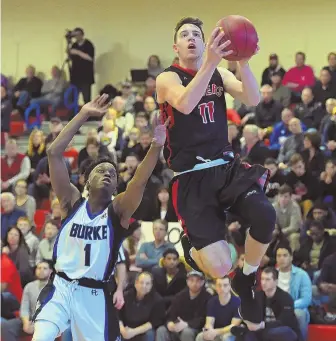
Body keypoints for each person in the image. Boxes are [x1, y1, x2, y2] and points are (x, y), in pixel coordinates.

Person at [156, 17, 276, 330]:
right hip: (191, 177)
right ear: (176, 47)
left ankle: (247, 277)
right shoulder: (167, 79)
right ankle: (192, 244)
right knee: (221, 266)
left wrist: (244, 64)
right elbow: (185, 103)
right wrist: (211, 63)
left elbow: (252, 98)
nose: (192, 38)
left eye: (197, 33)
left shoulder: (219, 72)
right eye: (185, 35)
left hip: (225, 167)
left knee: (265, 215)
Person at [31, 94, 168, 341]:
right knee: (41, 337)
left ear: (116, 187)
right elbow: (53, 152)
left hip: (93, 295)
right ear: (85, 180)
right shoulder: (71, 202)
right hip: (60, 287)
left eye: (113, 174)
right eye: (101, 170)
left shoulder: (117, 212)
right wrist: (83, 114)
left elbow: (139, 181)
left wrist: (156, 146)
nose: (107, 173)